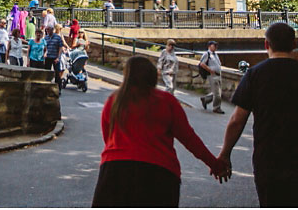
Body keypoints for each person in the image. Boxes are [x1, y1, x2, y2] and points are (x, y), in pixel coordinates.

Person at [218, 22, 298, 208]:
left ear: (266, 45)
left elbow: (237, 121)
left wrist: (225, 154)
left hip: (269, 165)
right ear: (295, 44)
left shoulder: (254, 75)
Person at [92, 55, 229, 207]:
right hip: (159, 173)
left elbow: (108, 138)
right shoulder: (166, 101)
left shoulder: (115, 100)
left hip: (114, 172)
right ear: (152, 75)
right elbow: (190, 139)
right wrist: (215, 165)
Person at [199, 40, 224, 113]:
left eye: (216, 45)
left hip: (218, 74)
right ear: (209, 46)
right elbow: (202, 64)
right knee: (217, 93)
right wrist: (210, 70)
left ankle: (205, 99)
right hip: (212, 75)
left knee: (217, 92)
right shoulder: (207, 54)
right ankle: (216, 107)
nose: (216, 47)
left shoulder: (215, 54)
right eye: (214, 45)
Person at [44, 25, 68, 91]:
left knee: (57, 73)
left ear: (52, 30)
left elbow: (60, 47)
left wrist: (58, 57)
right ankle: (47, 87)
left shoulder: (57, 37)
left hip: (55, 57)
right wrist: (44, 53)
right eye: (47, 30)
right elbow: (45, 47)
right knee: (47, 73)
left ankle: (58, 88)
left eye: (48, 30)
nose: (47, 31)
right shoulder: (46, 38)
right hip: (48, 57)